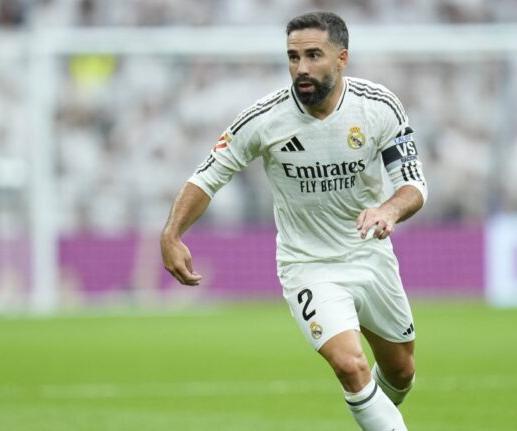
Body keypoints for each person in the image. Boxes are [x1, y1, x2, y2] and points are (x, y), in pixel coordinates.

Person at [161, 11, 427, 431]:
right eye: (293, 57)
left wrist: (387, 211)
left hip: (370, 256)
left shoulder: (378, 107)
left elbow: (414, 185)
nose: (301, 68)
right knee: (350, 365)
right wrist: (172, 232)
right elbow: (208, 176)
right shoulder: (264, 119)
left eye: (313, 55)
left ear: (341, 59)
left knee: (401, 371)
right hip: (308, 265)